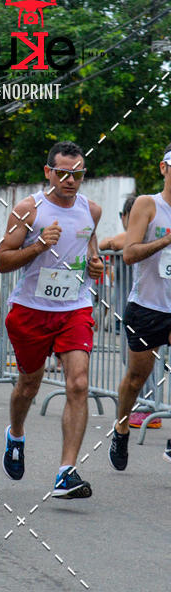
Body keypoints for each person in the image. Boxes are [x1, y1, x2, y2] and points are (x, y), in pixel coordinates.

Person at [0, 140, 104, 498]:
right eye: (63, 173)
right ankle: (16, 433)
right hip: (30, 310)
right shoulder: (30, 209)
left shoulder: (92, 210)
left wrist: (97, 265)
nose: (71, 180)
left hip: (74, 308)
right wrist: (39, 245)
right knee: (29, 385)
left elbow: (92, 250)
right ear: (48, 172)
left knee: (78, 383)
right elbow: (2, 260)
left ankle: (66, 471)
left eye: (77, 174)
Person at [109, 145, 171, 471]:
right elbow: (129, 254)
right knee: (136, 378)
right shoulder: (149, 205)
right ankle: (120, 428)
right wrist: (165, 240)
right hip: (147, 305)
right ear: (164, 168)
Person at [98, 196, 160, 429]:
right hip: (130, 312)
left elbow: (115, 242)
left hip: (148, 309)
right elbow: (108, 242)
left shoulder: (144, 237)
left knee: (142, 362)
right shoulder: (134, 238)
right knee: (132, 360)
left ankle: (148, 408)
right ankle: (144, 407)